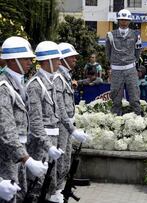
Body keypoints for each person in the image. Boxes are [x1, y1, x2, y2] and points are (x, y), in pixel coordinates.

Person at [0, 36, 48, 202]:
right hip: (7, 156)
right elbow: (6, 130)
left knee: (19, 196)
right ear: (13, 60)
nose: (30, 62)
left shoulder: (17, 83)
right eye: (26, 58)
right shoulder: (4, 88)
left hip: (18, 153)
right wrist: (27, 160)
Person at [26, 41, 64, 201]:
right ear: (47, 61)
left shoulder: (50, 82)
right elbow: (35, 122)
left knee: (49, 184)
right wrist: (48, 146)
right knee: (37, 186)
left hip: (51, 141)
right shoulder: (35, 85)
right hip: (41, 144)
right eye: (56, 59)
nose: (59, 62)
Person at [54, 42, 89, 201]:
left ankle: (59, 190)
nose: (75, 58)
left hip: (66, 125)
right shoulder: (58, 77)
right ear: (62, 58)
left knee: (65, 160)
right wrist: (71, 128)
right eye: (71, 56)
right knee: (61, 160)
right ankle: (55, 191)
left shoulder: (64, 76)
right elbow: (60, 106)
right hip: (61, 126)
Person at [106, 9, 142, 116]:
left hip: (130, 69)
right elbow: (107, 53)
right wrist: (113, 64)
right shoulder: (110, 35)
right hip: (116, 70)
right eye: (121, 20)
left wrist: (132, 63)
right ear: (118, 20)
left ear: (129, 21)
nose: (124, 22)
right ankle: (115, 122)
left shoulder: (136, 35)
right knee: (115, 99)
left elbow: (138, 52)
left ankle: (138, 120)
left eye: (126, 20)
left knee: (135, 97)